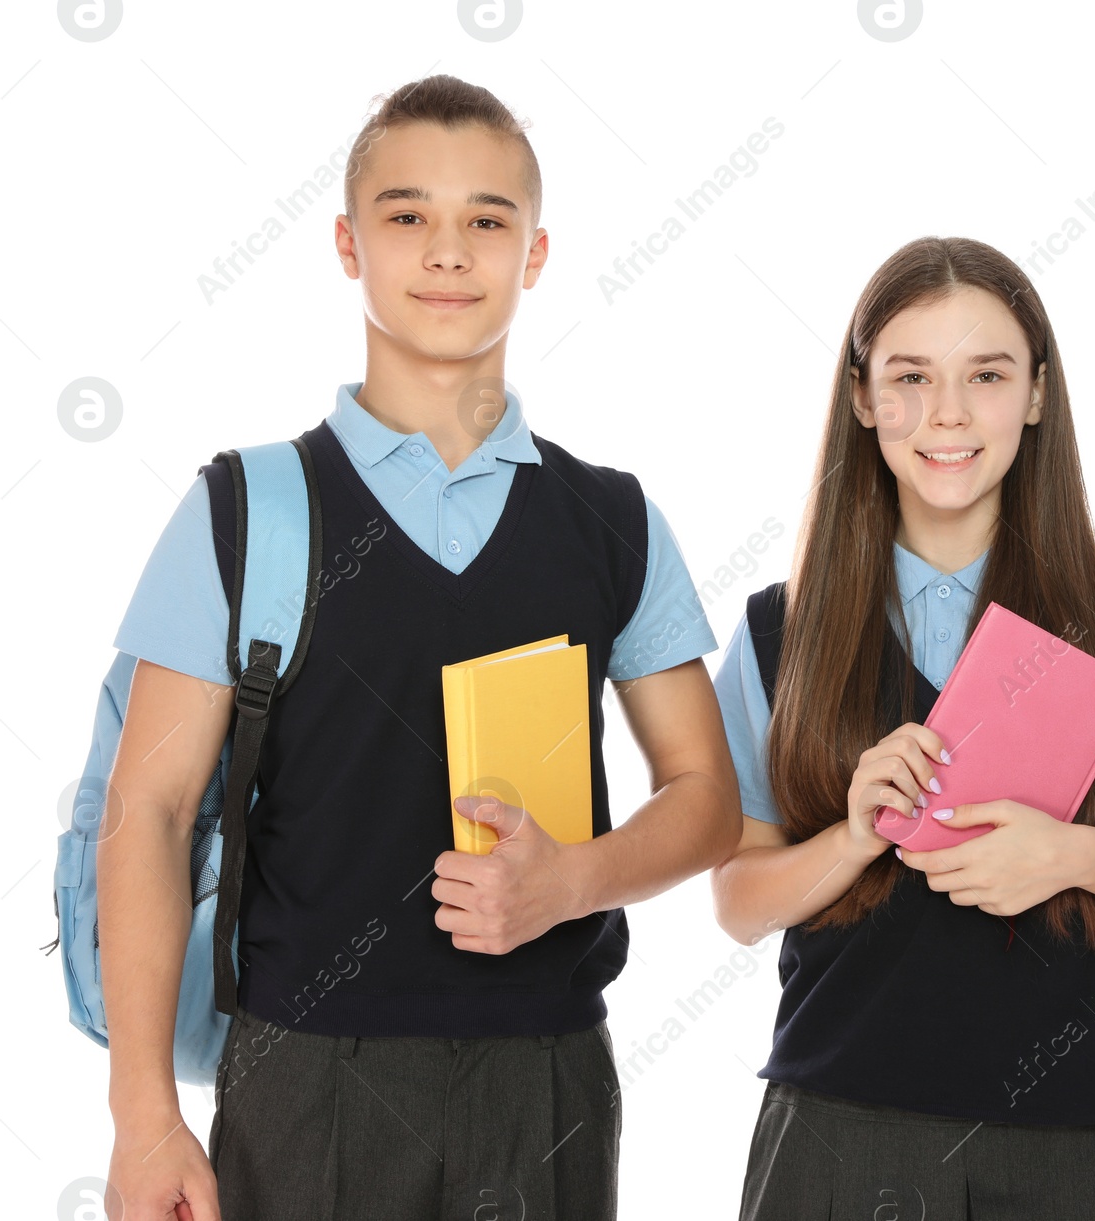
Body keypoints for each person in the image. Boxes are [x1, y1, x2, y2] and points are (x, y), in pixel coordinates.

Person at [97, 74, 740, 1221]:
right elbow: (143, 815)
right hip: (303, 1075)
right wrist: (146, 1121)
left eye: (487, 219)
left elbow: (705, 796)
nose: (448, 251)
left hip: (549, 1080)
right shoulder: (245, 510)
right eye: (407, 216)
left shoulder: (612, 520)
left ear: (535, 253)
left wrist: (571, 883)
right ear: (349, 245)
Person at [709, 236, 1095, 1220]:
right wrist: (853, 836)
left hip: (1083, 1151)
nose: (947, 412)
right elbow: (738, 901)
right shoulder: (777, 633)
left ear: (1036, 395)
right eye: (910, 376)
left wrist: (1066, 855)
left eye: (985, 375)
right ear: (863, 399)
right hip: (839, 1141)